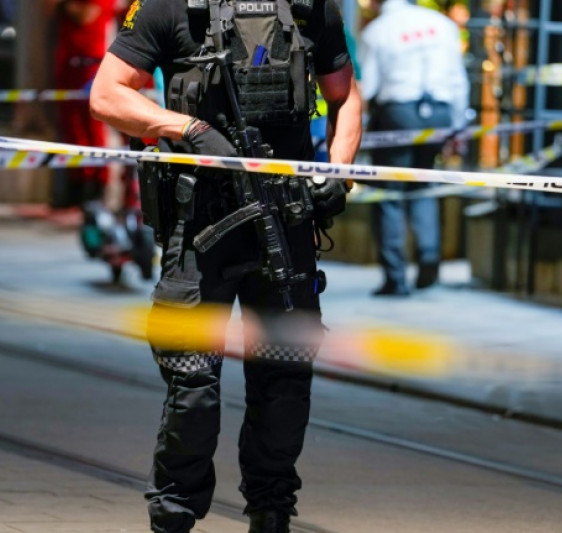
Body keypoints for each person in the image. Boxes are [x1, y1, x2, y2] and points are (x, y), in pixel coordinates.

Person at [90, 1, 361, 531]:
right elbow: (107, 94)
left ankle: (271, 513)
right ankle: (174, 519)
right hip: (200, 227)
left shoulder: (311, 7)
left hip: (284, 224)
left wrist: (340, 170)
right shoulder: (171, 6)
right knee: (192, 387)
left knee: (284, 382)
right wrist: (185, 128)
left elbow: (344, 94)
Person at [359, 0, 469, 296]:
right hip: (440, 112)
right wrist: (459, 125)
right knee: (423, 186)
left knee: (389, 194)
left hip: (398, 113)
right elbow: (458, 80)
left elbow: (368, 85)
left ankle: (395, 277)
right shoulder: (442, 24)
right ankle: (429, 261)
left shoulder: (377, 31)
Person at [48, 0, 118, 209]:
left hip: (94, 68)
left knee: (95, 131)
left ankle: (96, 188)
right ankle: (77, 187)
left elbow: (87, 14)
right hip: (69, 69)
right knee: (72, 132)